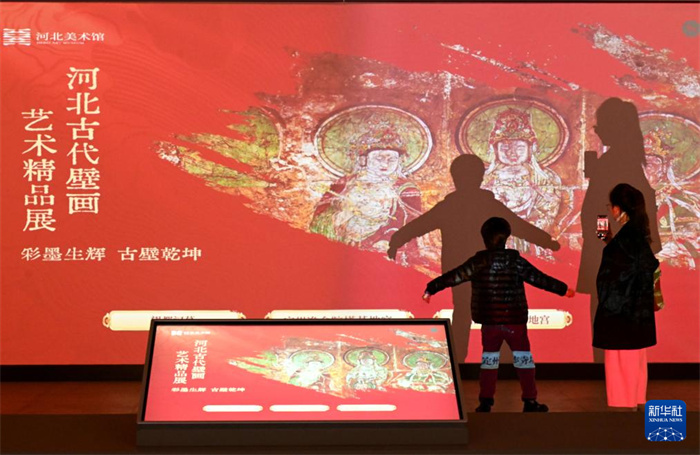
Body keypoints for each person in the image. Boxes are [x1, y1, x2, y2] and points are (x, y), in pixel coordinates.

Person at [388, 154, 560, 362]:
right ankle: (504, 362)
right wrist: (547, 242)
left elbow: (418, 226)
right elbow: (520, 227)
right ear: (480, 176)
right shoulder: (489, 206)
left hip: (460, 270)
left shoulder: (449, 206)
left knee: (462, 312)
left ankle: (459, 361)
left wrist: (396, 240)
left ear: (455, 178)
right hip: (491, 270)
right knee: (497, 313)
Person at [422, 217, 575, 412]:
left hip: (490, 323)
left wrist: (431, 288)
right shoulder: (515, 261)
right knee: (524, 361)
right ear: (506, 237)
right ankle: (530, 400)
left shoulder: (478, 262)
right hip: (515, 322)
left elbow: (454, 276)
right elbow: (539, 278)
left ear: (484, 238)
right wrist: (563, 289)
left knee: (489, 361)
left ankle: (485, 401)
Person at [578, 97, 661, 362]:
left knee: (607, 317)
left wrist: (605, 240)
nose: (596, 130)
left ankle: (607, 368)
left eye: (599, 125)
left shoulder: (613, 162)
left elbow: (597, 212)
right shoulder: (629, 161)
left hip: (613, 258)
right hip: (628, 254)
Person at [594, 183, 658, 410]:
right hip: (638, 311)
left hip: (620, 312)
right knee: (636, 360)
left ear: (618, 208)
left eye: (611, 206)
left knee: (620, 360)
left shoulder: (624, 240)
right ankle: (635, 400)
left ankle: (624, 406)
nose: (610, 210)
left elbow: (612, 278)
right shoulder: (638, 235)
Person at [311, 141, 422, 262]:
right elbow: (321, 214)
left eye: (392, 159)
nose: (385, 163)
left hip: (382, 245)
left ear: (399, 161)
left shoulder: (406, 189)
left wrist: (386, 240)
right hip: (342, 244)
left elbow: (410, 224)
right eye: (378, 158)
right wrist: (342, 215)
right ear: (364, 159)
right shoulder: (345, 183)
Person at [482, 108, 563, 258]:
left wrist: (529, 230)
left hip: (531, 240)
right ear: (495, 150)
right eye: (505, 147)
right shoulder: (485, 179)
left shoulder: (545, 178)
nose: (512, 153)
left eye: (519, 147)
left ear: (531, 149)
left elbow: (548, 209)